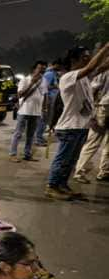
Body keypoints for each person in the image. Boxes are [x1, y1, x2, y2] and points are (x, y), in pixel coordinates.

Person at [46, 44, 109, 200]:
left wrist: (92, 118)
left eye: (89, 55)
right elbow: (91, 67)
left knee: (71, 161)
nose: (88, 58)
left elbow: (100, 67)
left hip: (81, 126)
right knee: (62, 160)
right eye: (85, 56)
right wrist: (106, 47)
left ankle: (63, 185)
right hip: (69, 127)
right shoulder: (68, 77)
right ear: (74, 59)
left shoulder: (85, 79)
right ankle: (52, 186)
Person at [74, 70, 109, 183]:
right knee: (93, 141)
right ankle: (79, 172)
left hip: (104, 107)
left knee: (102, 143)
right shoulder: (105, 71)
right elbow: (92, 91)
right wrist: (93, 113)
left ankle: (104, 171)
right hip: (103, 108)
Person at [10, 61, 48, 163]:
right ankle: (12, 154)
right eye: (40, 68)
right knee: (18, 133)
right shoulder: (25, 80)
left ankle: (27, 154)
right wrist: (32, 83)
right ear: (34, 69)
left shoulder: (44, 80)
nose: (42, 70)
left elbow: (45, 95)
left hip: (36, 112)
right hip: (24, 111)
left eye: (44, 69)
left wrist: (44, 109)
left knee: (31, 135)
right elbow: (20, 95)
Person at [34, 59, 63, 146]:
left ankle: (40, 137)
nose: (61, 67)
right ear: (55, 65)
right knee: (43, 120)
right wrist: (55, 86)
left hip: (51, 99)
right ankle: (38, 139)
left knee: (45, 120)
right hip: (48, 100)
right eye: (60, 65)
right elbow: (44, 88)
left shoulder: (53, 73)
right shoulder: (49, 74)